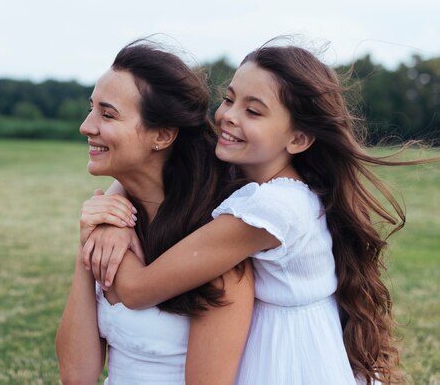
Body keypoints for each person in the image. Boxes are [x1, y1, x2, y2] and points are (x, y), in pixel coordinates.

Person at [81, 43, 430, 384]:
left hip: (286, 363)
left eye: (254, 111)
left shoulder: (274, 209)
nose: (228, 117)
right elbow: (156, 176)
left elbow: (138, 290)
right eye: (229, 99)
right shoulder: (258, 181)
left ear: (298, 139)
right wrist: (118, 199)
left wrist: (101, 229)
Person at [55, 40, 254, 385]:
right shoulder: (115, 223)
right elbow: (77, 376)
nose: (86, 126)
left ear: (162, 135)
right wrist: (88, 244)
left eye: (107, 114)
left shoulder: (217, 249)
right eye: (91, 109)